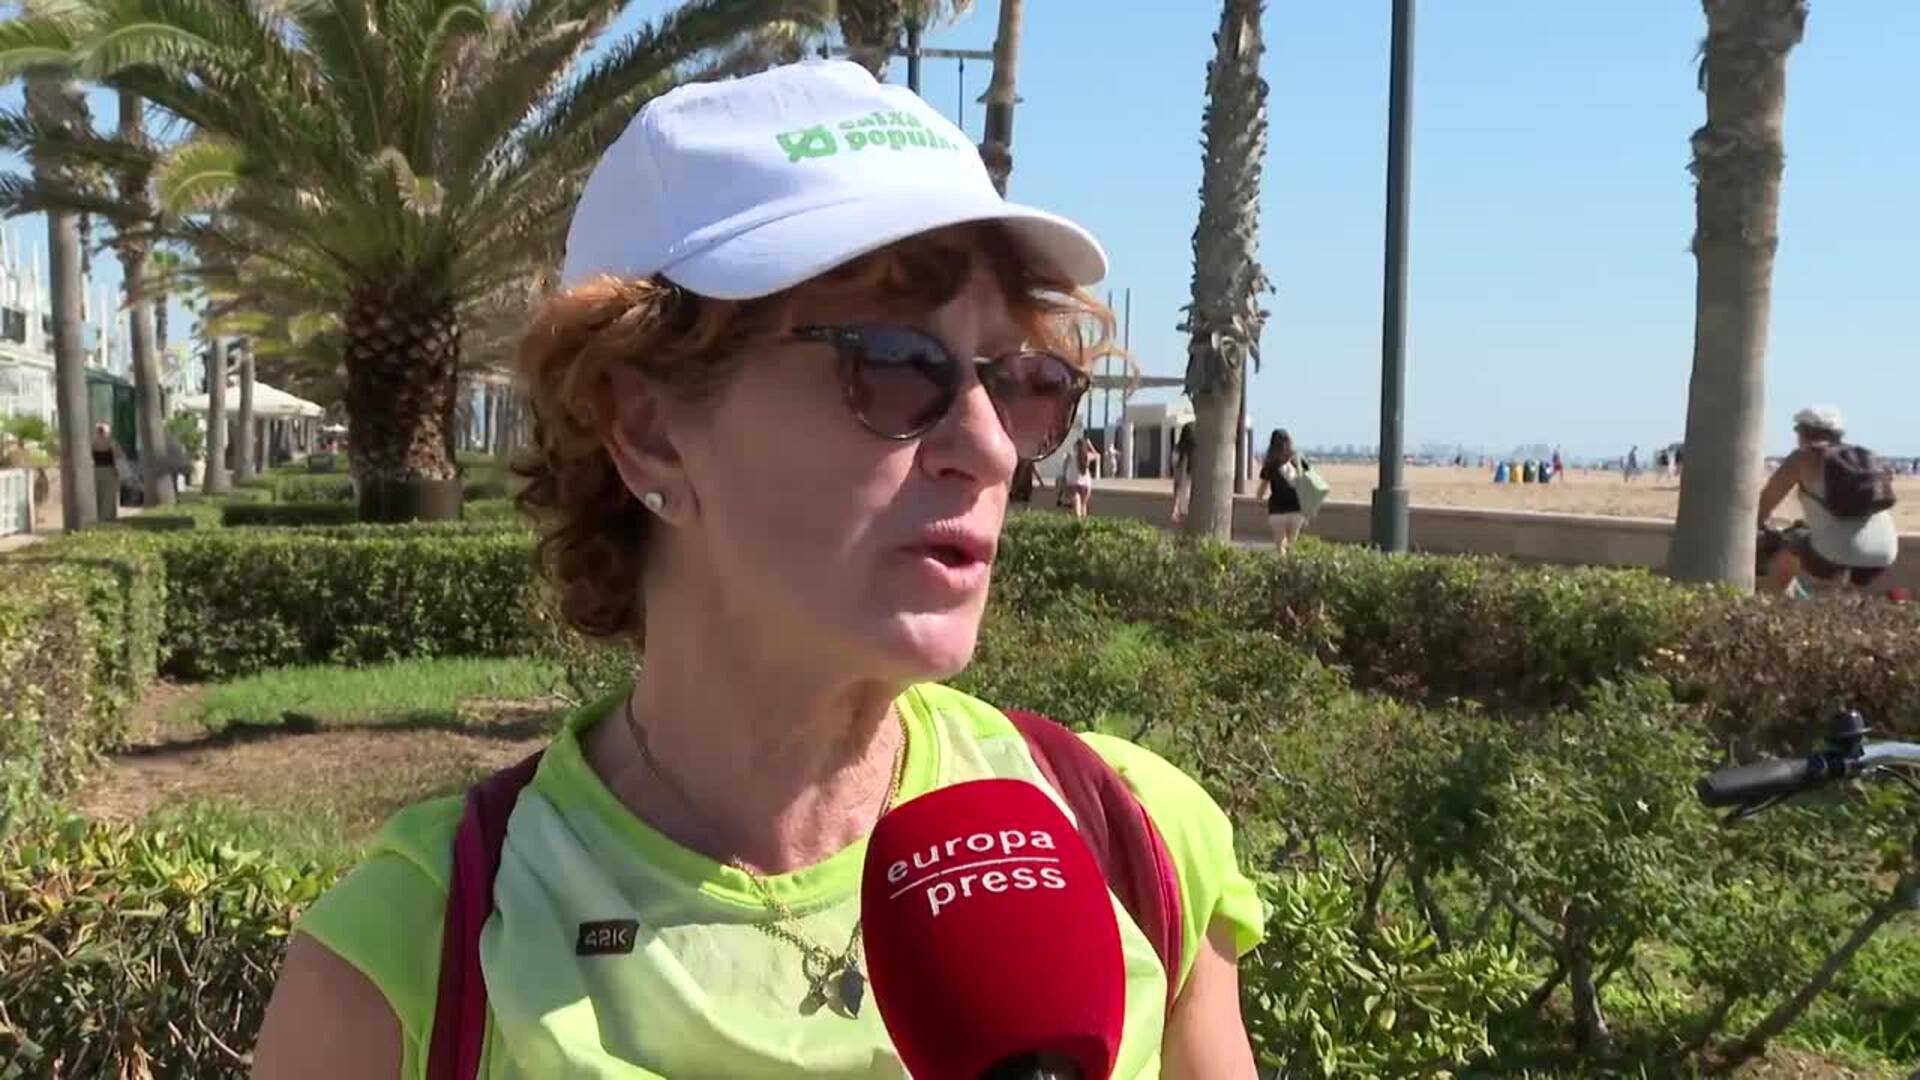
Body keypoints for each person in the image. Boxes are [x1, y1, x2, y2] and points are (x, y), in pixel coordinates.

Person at [252, 61, 1262, 1080]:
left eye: (1020, 382)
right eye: (898, 365)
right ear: (646, 428)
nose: (991, 449)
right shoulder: (408, 962)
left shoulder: (1130, 839)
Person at [1756, 405, 1899, 595]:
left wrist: (1758, 525)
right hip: (1884, 552)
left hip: (1834, 553)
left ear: (1801, 432)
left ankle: (1777, 605)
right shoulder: (1865, 458)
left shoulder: (1802, 458)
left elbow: (1765, 504)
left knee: (1786, 550)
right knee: (1846, 589)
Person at [1256, 428, 1306, 556]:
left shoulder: (1270, 465)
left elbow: (1260, 493)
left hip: (1277, 510)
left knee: (1280, 547)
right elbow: (1303, 482)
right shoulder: (1297, 461)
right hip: (1296, 509)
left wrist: (1261, 498)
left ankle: (1282, 566)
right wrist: (1299, 465)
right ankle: (1290, 566)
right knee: (1292, 545)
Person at [1062, 433, 1098, 519]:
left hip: (1073, 483)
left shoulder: (1070, 455)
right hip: (1086, 484)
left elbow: (1064, 469)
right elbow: (1097, 455)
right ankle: (1083, 524)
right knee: (1083, 506)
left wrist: (1064, 482)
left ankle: (1077, 523)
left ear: (1076, 446)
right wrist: (1090, 445)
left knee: (1077, 508)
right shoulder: (1087, 456)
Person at [1170, 421, 1195, 525]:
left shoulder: (1177, 452)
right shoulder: (1197, 453)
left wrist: (1175, 505)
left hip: (1183, 494)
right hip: (1196, 494)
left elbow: (1177, 479)